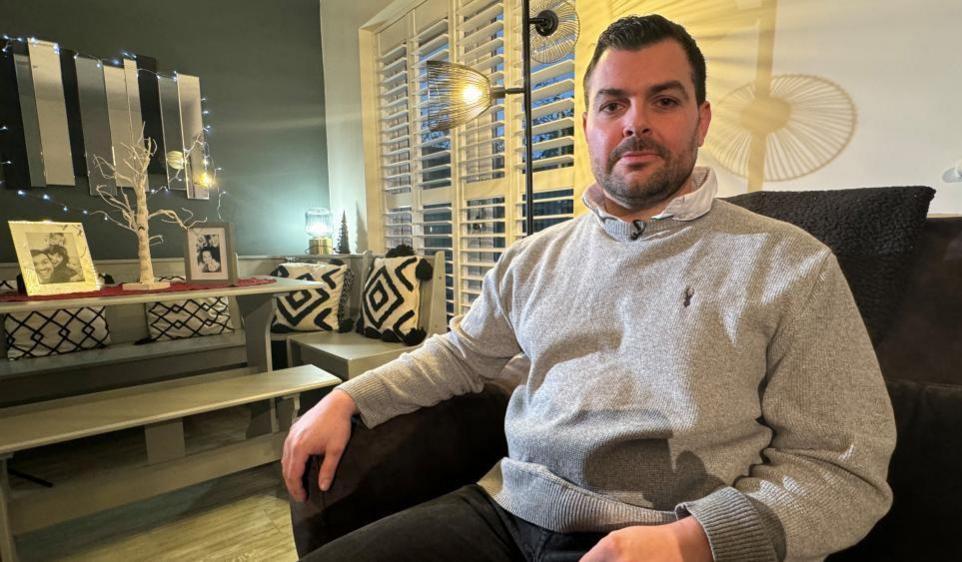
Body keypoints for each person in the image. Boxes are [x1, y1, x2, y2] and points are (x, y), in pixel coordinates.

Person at [282, 14, 896, 562]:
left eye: (664, 100)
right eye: (613, 105)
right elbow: (462, 354)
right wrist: (348, 400)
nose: (636, 123)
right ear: (587, 126)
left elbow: (844, 472)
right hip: (511, 513)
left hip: (676, 534)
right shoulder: (534, 257)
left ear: (701, 119)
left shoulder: (791, 264)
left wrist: (697, 542)